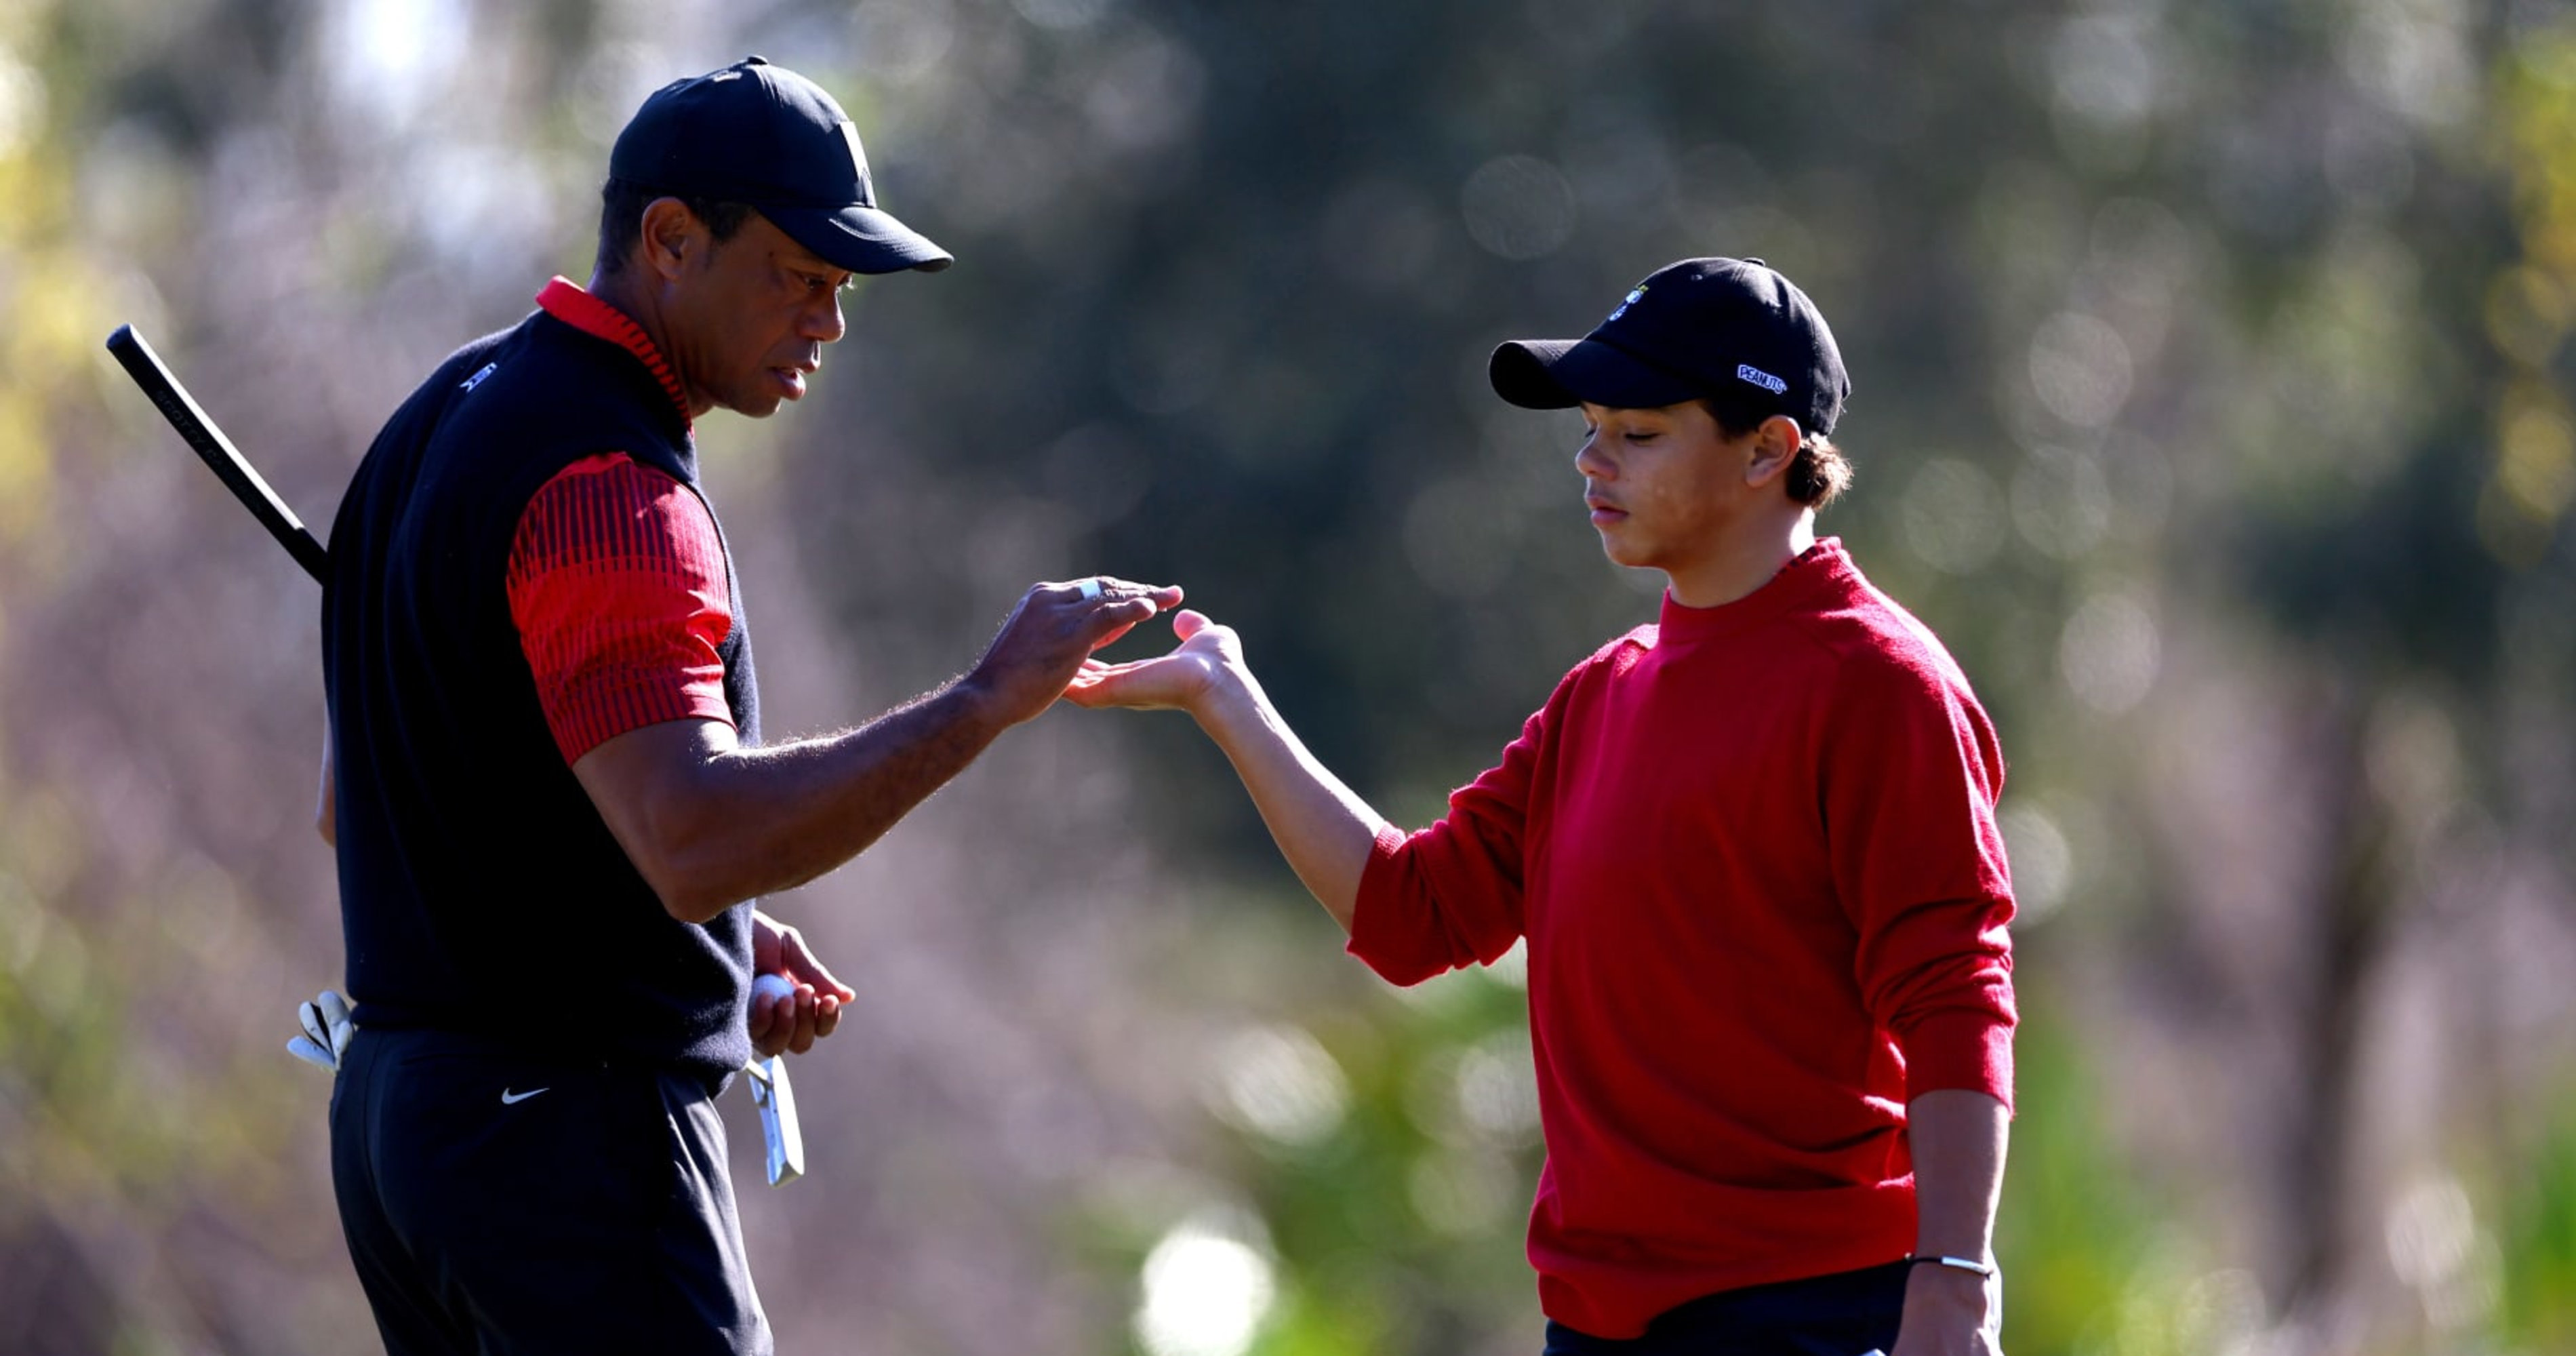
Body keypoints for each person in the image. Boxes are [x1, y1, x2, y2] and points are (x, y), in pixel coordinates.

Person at [315, 57, 1178, 1355]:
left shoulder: (440, 411)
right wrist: (985, 700)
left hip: (399, 1129)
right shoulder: (613, 486)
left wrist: (708, 952)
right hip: (565, 1145)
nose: (830, 322)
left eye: (842, 289)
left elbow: (363, 810)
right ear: (669, 240)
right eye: (801, 276)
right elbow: (694, 840)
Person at [1070, 258, 2016, 1355]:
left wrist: (1953, 1282)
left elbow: (1955, 994)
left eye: (1639, 432)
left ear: (1769, 450)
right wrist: (1229, 703)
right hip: (1597, 1323)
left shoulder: (1881, 683)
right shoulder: (1598, 696)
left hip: (1809, 1312)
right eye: (1592, 426)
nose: (1591, 459)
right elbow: (1411, 915)